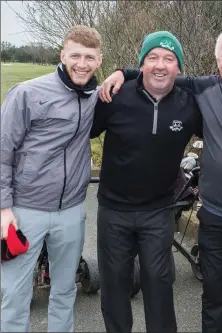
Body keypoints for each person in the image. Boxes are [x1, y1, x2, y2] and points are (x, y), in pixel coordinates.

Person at [99, 27, 222, 333]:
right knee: (213, 298)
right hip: (210, 216)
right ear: (217, 61)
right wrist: (122, 72)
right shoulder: (202, 89)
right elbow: (156, 76)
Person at [90, 31, 202, 333]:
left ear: (179, 68)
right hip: (114, 210)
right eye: (152, 58)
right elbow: (79, 131)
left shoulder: (190, 105)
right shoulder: (114, 96)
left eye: (169, 59)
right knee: (114, 285)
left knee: (159, 283)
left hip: (158, 211)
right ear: (142, 64)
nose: (160, 65)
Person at [0, 25, 102, 332]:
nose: (82, 63)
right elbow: (3, 151)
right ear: (62, 55)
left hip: (71, 211)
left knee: (65, 290)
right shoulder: (27, 93)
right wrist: (4, 210)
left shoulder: (95, 96)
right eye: (75, 55)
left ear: (99, 60)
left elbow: (141, 79)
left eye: (89, 57)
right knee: (14, 294)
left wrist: (125, 73)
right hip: (25, 210)